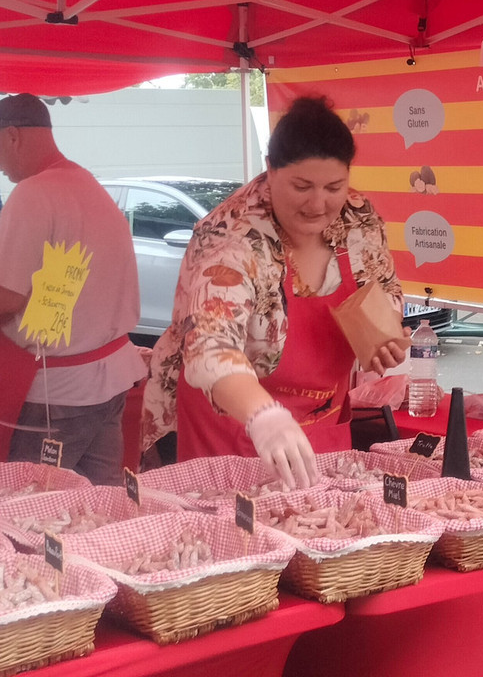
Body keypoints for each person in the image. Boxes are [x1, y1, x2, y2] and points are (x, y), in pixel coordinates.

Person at [144, 95, 407, 489]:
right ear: (270, 169)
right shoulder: (232, 237)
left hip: (323, 423)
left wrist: (382, 336)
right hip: (236, 428)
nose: (318, 204)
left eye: (334, 186)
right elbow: (211, 347)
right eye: (301, 186)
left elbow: (385, 289)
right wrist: (265, 416)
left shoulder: (359, 218)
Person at [0, 93, 146, 484]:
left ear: (12, 136)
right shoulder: (86, 182)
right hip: (111, 377)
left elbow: (9, 298)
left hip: (60, 393)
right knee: (101, 499)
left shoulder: (32, 193)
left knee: (32, 508)